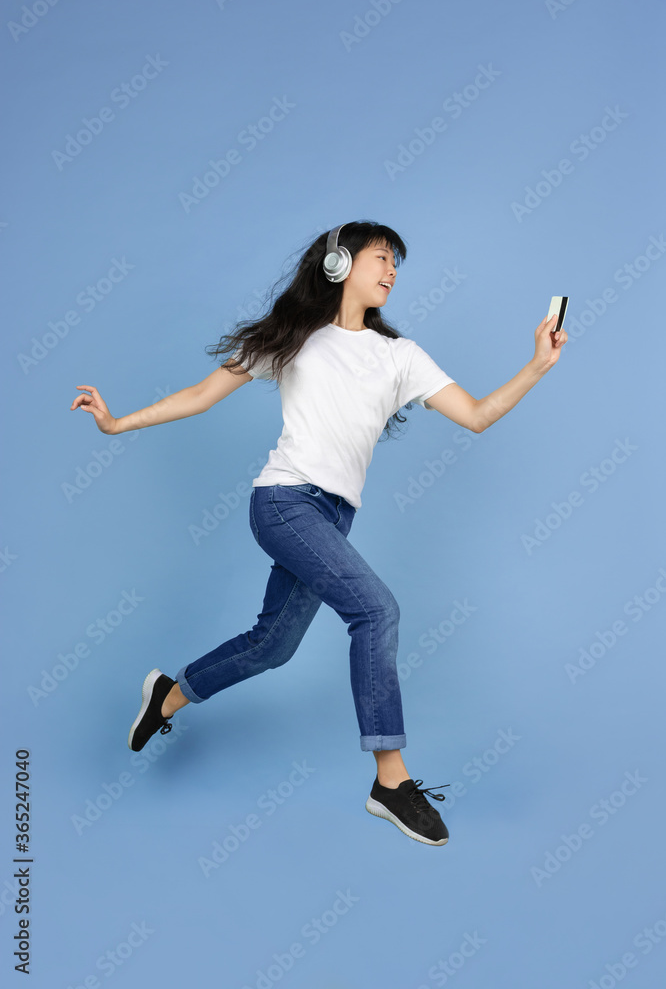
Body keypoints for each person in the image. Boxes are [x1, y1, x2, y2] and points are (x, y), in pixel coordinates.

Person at [70, 220, 567, 846]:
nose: (391, 271)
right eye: (381, 258)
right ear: (338, 263)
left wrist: (538, 365)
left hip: (333, 517)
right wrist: (117, 425)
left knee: (274, 645)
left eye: (396, 264)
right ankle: (391, 780)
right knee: (377, 610)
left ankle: (168, 695)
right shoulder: (293, 339)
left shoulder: (400, 357)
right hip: (283, 502)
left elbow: (476, 416)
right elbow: (201, 395)